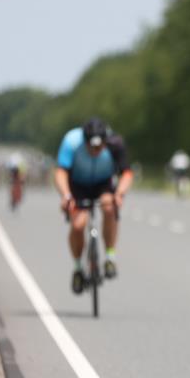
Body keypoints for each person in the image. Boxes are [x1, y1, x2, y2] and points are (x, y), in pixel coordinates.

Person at [54, 118, 133, 294]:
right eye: (91, 147)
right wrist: (66, 196)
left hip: (103, 183)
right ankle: (77, 268)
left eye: (99, 147)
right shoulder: (72, 142)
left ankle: (110, 256)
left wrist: (119, 194)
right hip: (78, 185)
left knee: (109, 208)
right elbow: (60, 172)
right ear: (84, 141)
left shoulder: (115, 144)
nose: (95, 151)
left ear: (106, 141)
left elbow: (126, 173)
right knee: (78, 225)